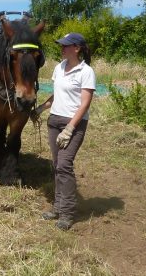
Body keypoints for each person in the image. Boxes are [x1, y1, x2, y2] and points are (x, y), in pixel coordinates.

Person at [32, 32, 95, 231]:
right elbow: (56, 95)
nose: (62, 48)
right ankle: (58, 207)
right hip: (54, 121)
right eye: (61, 45)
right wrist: (41, 108)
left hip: (73, 125)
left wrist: (70, 128)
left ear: (76, 48)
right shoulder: (59, 67)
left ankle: (67, 213)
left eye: (65, 45)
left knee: (65, 166)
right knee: (58, 165)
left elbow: (85, 104)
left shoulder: (86, 72)